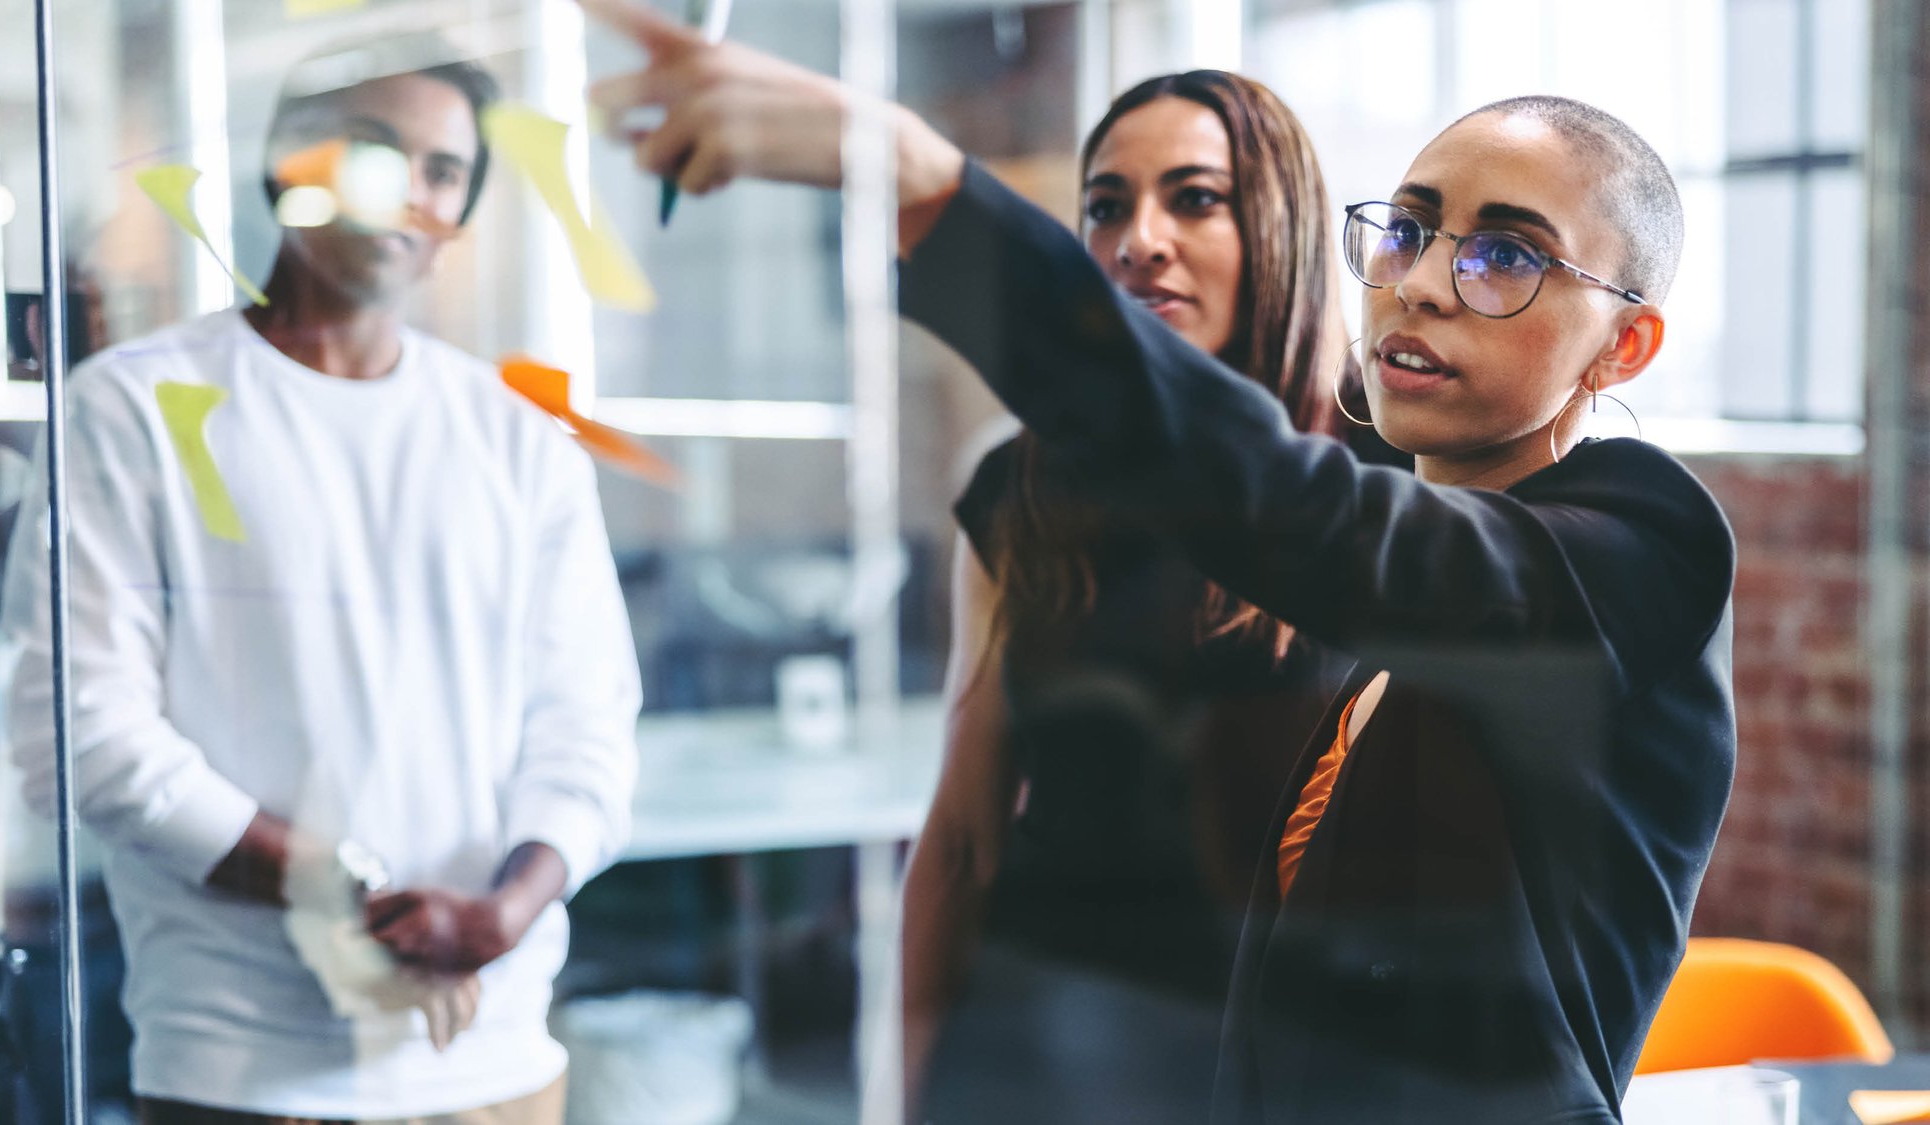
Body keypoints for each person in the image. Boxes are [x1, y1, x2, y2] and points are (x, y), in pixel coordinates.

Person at [581, 4, 1736, 1122]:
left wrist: (928, 188)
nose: (1422, 281)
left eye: (1504, 256)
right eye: (1407, 230)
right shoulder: (1336, 570)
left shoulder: (1638, 546)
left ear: (1621, 345)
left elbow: (1298, 511)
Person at [0, 42, 640, 1124]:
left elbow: (589, 731)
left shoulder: (518, 440)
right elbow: (81, 734)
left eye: (444, 170)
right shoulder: (138, 407)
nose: (411, 193)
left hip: (497, 1064)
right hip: (247, 1070)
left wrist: (506, 909)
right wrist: (342, 891)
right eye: (375, 151)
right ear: (288, 164)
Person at [901, 70, 1400, 1123]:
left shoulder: (1385, 478)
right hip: (1039, 1043)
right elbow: (961, 835)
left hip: (1295, 1057)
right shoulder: (1022, 482)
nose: (1138, 241)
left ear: (1279, 224)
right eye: (1105, 206)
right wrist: (900, 1085)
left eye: (1194, 198)